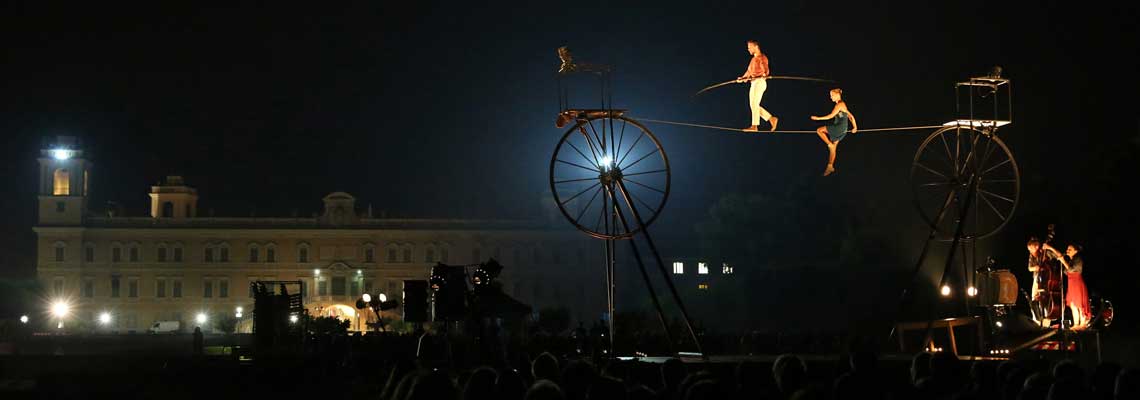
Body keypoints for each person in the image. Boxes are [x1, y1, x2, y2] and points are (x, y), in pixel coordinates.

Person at [810, 88, 858, 176]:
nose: (830, 97)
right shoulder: (842, 105)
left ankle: (829, 144)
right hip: (843, 130)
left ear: (837, 95)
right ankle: (830, 166)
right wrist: (855, 127)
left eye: (832, 95)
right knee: (833, 149)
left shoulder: (839, 105)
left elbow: (830, 116)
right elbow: (850, 116)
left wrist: (818, 118)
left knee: (819, 130)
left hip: (839, 128)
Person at [737, 40, 779, 132]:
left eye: (749, 47)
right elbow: (749, 72)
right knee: (753, 105)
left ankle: (755, 126)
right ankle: (771, 119)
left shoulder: (762, 57)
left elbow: (765, 68)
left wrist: (765, 74)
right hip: (753, 83)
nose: (748, 49)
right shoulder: (753, 59)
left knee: (754, 104)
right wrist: (743, 78)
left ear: (756, 47)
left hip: (759, 82)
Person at [1054, 243, 1091, 329]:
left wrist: (1063, 261)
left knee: (1079, 304)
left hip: (1077, 283)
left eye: (1070, 249)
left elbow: (1070, 270)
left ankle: (1082, 324)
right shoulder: (1071, 260)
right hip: (1071, 283)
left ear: (1076, 251)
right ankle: (1076, 323)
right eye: (1067, 249)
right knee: (1072, 304)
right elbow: (1066, 272)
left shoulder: (1078, 259)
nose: (1067, 251)